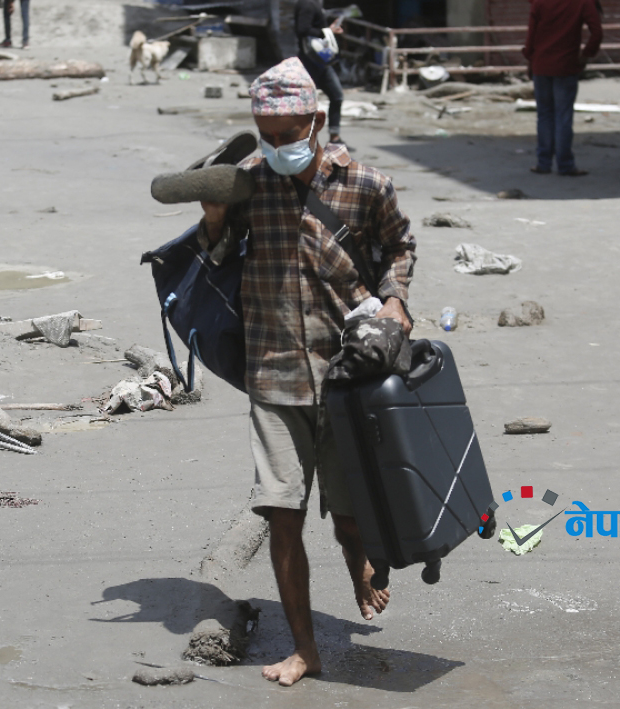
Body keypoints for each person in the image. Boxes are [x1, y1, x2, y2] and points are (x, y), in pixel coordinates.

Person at [197, 57, 416, 687]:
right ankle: (305, 649)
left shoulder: (366, 185)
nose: (277, 144)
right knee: (281, 514)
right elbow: (214, 261)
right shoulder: (245, 181)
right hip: (272, 373)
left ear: (317, 120)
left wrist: (396, 297)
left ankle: (360, 564)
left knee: (348, 516)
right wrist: (214, 223)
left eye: (290, 132)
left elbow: (400, 245)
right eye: (266, 131)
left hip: (349, 376)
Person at [521, 0, 602, 176]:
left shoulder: (539, 3)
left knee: (544, 115)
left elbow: (531, 36)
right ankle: (565, 164)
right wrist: (586, 55)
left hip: (541, 65)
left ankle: (543, 163)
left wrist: (530, 60)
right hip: (566, 66)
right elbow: (597, 32)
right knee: (563, 116)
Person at [295, 0, 347, 145]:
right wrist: (328, 32)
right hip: (310, 61)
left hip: (320, 61)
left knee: (336, 96)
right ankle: (301, 139)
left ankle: (334, 137)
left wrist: (329, 30)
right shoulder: (307, 4)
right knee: (306, 103)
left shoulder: (314, 4)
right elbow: (302, 29)